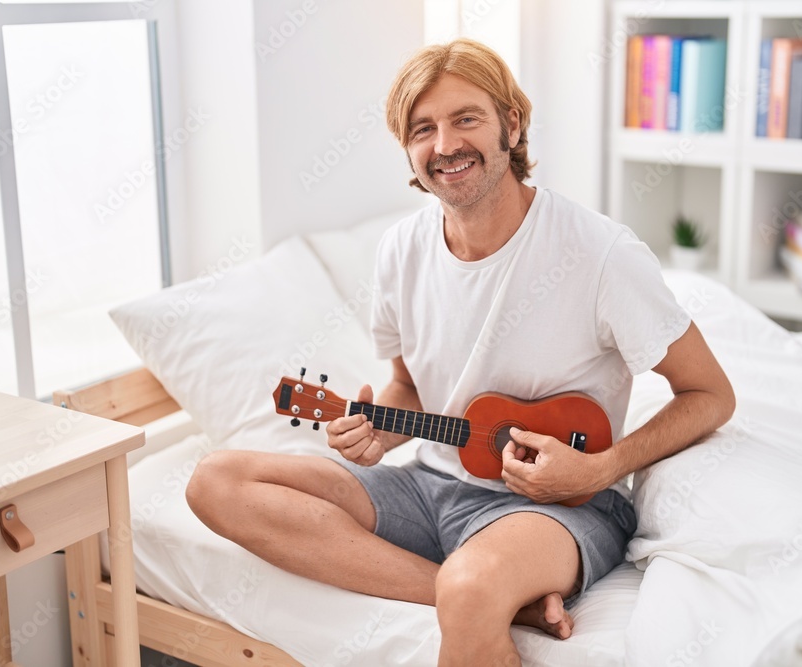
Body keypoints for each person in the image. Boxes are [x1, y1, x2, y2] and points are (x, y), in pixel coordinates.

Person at [186, 38, 736, 667]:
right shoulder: (401, 250)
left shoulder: (600, 253)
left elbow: (711, 394)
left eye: (466, 118)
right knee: (214, 480)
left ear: (512, 123)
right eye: (424, 129)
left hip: (557, 505)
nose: (445, 145)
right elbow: (409, 386)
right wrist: (376, 434)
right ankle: (493, 598)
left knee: (470, 586)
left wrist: (602, 469)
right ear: (409, 150)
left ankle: (474, 590)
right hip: (429, 485)